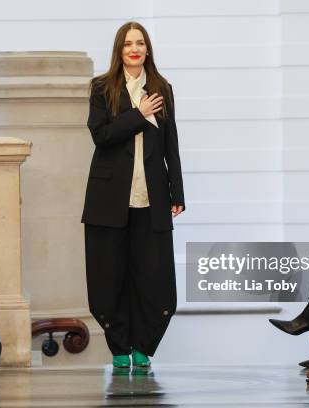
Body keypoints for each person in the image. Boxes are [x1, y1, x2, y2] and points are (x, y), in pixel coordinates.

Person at [82, 21, 185, 369]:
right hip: (109, 199)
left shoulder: (162, 88)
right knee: (111, 276)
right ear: (119, 50)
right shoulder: (102, 87)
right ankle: (120, 349)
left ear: (147, 49)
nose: (135, 49)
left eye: (140, 43)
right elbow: (102, 135)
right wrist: (138, 115)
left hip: (152, 197)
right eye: (128, 44)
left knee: (153, 277)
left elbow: (171, 143)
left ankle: (144, 346)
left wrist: (177, 191)